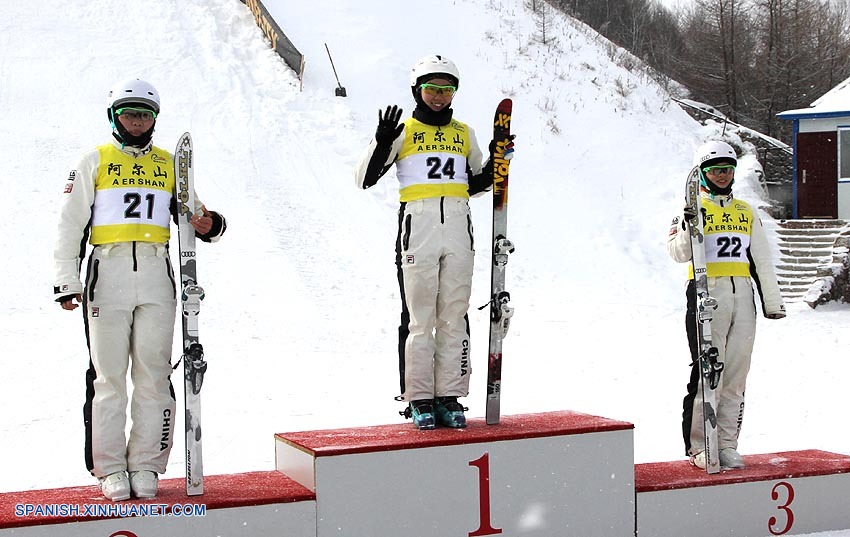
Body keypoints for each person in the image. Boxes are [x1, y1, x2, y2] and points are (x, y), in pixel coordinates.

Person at [53, 78, 226, 500]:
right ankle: (110, 467)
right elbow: (70, 223)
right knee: (108, 376)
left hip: (155, 272)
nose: (136, 121)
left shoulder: (169, 164)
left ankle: (147, 464)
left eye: (144, 115)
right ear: (113, 117)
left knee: (153, 373)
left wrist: (210, 224)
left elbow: (201, 218)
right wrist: (66, 280)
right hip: (106, 272)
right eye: (128, 114)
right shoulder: (94, 160)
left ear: (155, 120)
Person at [354, 55, 506, 430]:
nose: (438, 96)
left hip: (458, 227)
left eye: (446, 89)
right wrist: (381, 141)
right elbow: (364, 179)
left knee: (454, 313)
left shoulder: (464, 133)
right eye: (431, 89)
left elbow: (473, 183)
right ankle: (419, 397)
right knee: (420, 317)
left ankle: (449, 394)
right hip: (417, 229)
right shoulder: (403, 131)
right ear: (417, 90)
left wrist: (497, 159)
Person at [667, 140, 785, 470]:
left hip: (742, 296)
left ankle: (727, 443)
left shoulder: (745, 211)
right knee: (708, 370)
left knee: (736, 374)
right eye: (715, 170)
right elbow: (678, 253)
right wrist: (689, 223)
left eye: (728, 169)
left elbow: (761, 258)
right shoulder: (692, 206)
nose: (722, 175)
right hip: (708, 292)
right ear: (702, 173)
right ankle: (700, 445)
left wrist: (772, 303)